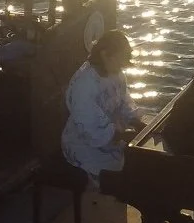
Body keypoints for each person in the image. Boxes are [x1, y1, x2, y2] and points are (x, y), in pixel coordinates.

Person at [61, 29, 143, 182]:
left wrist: (136, 122)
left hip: (111, 137)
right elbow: (91, 129)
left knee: (142, 163)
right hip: (84, 143)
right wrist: (125, 135)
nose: (122, 67)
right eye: (120, 60)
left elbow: (125, 102)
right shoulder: (85, 84)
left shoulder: (116, 73)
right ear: (105, 54)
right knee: (127, 175)